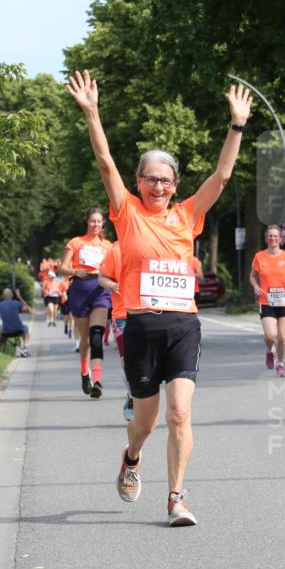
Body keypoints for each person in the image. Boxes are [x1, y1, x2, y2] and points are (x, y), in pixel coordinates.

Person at [66, 68, 251, 526]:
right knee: (146, 422)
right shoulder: (126, 212)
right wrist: (92, 112)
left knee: (181, 413)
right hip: (142, 326)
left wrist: (237, 125)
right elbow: (106, 163)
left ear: (175, 184)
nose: (159, 187)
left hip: (182, 324)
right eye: (151, 179)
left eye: (166, 180)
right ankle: (132, 456)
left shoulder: (188, 215)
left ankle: (176, 498)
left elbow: (223, 176)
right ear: (139, 181)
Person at [60, 209, 113, 397]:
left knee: (97, 335)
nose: (96, 225)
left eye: (99, 222)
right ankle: (85, 373)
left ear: (103, 224)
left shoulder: (108, 246)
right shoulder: (76, 243)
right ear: (87, 223)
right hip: (80, 289)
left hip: (100, 289)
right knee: (86, 340)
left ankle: (97, 381)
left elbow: (114, 269)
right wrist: (74, 271)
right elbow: (62, 269)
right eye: (92, 221)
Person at [250, 225, 285, 377]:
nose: (273, 238)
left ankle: (281, 364)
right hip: (267, 301)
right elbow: (252, 276)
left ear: (280, 239)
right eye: (270, 236)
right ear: (266, 239)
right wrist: (256, 286)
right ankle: (270, 351)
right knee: (270, 335)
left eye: (276, 236)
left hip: (284, 301)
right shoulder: (259, 257)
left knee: (282, 336)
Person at [98, 242, 134, 421]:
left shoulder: (153, 239)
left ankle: (145, 397)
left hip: (149, 312)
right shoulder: (116, 249)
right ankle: (131, 396)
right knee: (126, 361)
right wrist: (112, 285)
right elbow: (101, 278)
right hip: (122, 314)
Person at [0, 286, 31, 356]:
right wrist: (19, 296)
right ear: (12, 295)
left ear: (3, 296)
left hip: (6, 332)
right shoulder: (16, 303)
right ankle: (25, 347)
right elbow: (27, 309)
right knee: (26, 327)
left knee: (0, 328)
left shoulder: (0, 305)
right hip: (18, 330)